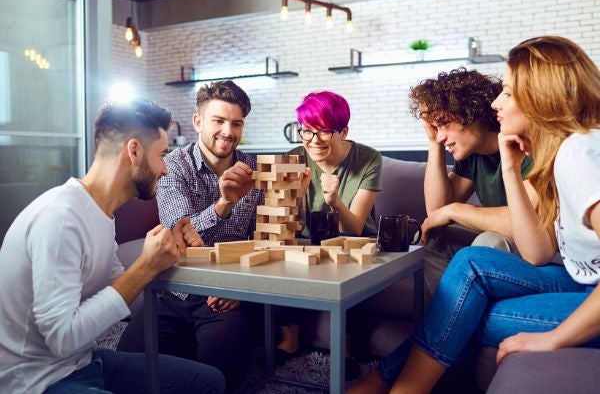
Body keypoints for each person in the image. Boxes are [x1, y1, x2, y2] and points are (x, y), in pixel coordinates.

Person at [349, 35, 600, 394]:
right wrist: (510, 169)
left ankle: (385, 384)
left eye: (510, 92)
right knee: (470, 266)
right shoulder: (555, 153)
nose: (497, 101)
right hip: (577, 280)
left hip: (582, 288)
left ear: (542, 96)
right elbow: (538, 252)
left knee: (462, 313)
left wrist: (554, 338)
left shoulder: (580, 153)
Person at [0, 99, 225, 393]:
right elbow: (62, 338)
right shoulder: (61, 218)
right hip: (37, 381)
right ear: (134, 151)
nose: (165, 169)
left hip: (83, 363)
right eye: (161, 155)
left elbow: (122, 292)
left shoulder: (100, 212)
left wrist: (168, 256)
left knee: (208, 382)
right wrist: (144, 267)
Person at [118, 80, 263, 391]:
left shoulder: (256, 170)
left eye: (236, 123)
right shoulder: (171, 166)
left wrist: (239, 286)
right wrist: (224, 204)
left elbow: (265, 242)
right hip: (174, 291)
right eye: (219, 120)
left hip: (226, 295)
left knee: (218, 378)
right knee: (129, 367)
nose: (228, 131)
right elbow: (179, 237)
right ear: (198, 122)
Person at [276, 91, 382, 374]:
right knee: (278, 260)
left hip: (353, 241)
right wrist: (296, 195)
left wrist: (335, 201)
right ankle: (290, 340)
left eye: (323, 132)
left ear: (343, 131)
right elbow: (286, 224)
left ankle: (348, 349)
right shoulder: (293, 158)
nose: (313, 141)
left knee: (351, 267)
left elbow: (355, 227)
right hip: (306, 242)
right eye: (306, 132)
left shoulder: (368, 158)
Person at [409, 67, 534, 297]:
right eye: (435, 128)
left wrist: (457, 210)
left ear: (472, 112)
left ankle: (461, 318)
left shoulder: (526, 145)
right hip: (505, 249)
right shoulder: (474, 155)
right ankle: (460, 312)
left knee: (489, 242)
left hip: (534, 250)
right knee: (431, 238)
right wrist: (434, 143)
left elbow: (524, 223)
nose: (440, 135)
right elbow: (436, 211)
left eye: (444, 123)